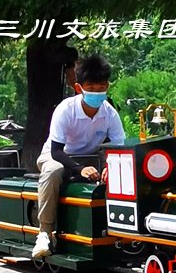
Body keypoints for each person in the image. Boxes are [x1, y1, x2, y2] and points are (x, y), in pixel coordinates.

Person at [32, 54, 125, 259]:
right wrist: (79, 169)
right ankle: (45, 233)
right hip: (57, 156)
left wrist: (110, 166)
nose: (97, 93)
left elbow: (119, 146)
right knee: (54, 171)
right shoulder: (65, 110)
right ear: (78, 88)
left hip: (90, 158)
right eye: (91, 89)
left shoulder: (110, 113)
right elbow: (57, 150)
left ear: (107, 86)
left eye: (101, 88)